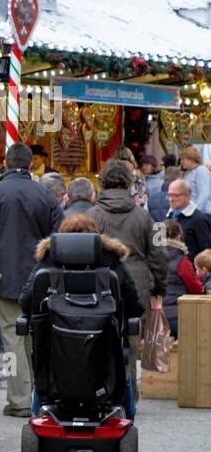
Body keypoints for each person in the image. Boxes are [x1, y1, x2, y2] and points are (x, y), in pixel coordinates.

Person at [0, 142, 63, 417]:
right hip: (41, 277)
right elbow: (61, 235)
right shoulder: (45, 195)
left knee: (12, 338)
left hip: (4, 276)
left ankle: (19, 398)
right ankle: (39, 395)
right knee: (36, 336)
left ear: (5, 163)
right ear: (31, 165)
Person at [19, 213, 143, 418]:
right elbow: (135, 307)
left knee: (43, 371)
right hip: (104, 360)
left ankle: (39, 413)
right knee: (121, 366)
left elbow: (25, 302)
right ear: (96, 237)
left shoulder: (47, 264)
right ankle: (125, 414)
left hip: (54, 359)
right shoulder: (112, 263)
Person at [89, 158, 167, 398]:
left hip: (99, 282)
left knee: (98, 339)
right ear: (128, 182)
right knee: (131, 342)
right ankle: (129, 395)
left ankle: (101, 393)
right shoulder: (145, 217)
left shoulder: (92, 214)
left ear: (103, 181)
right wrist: (159, 288)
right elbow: (160, 254)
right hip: (136, 281)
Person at [162, 218, 203, 339]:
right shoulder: (181, 260)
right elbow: (196, 289)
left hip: (153, 317)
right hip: (176, 317)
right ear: (179, 236)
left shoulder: (149, 258)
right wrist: (200, 279)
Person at [166, 177, 211, 262]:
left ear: (188, 196)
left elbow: (207, 251)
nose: (171, 199)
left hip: (191, 271)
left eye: (175, 195)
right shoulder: (169, 216)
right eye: (169, 195)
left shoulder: (199, 219)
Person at [179, 146, 211, 211]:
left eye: (183, 159)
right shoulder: (190, 173)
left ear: (190, 159)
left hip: (203, 213)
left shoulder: (201, 170)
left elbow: (204, 194)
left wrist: (193, 211)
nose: (181, 162)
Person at [142, 154, 170, 222]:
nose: (143, 167)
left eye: (146, 164)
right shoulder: (144, 180)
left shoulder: (160, 181)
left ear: (153, 165)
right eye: (142, 165)